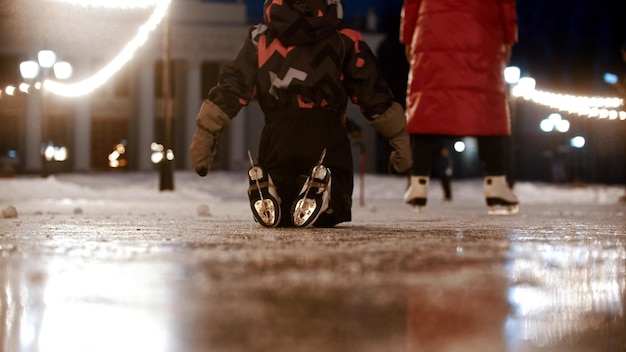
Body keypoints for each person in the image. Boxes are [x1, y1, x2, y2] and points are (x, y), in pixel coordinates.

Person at [189, 0, 412, 228]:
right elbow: (370, 90)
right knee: (335, 202)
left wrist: (206, 131)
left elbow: (232, 86)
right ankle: (325, 192)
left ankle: (270, 186)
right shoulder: (345, 37)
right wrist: (398, 136)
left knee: (285, 212)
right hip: (327, 133)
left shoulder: (260, 38)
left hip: (278, 132)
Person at [400, 0, 519, 215]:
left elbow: (411, 3)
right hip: (482, 29)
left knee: (427, 104)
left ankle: (418, 182)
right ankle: (496, 182)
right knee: (487, 107)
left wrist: (407, 36)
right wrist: (509, 36)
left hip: (432, 29)